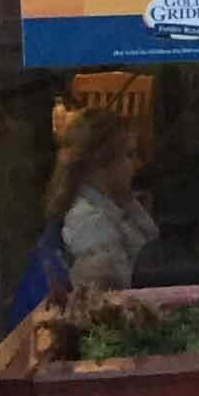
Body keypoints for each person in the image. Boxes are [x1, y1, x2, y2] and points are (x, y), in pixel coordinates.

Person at [44, 106, 158, 294]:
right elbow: (123, 293)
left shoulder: (119, 202)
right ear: (101, 162)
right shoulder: (90, 223)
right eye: (129, 155)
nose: (137, 165)